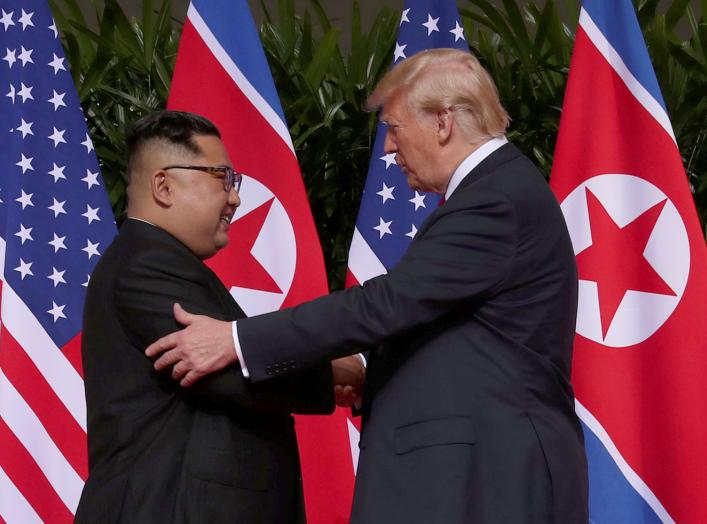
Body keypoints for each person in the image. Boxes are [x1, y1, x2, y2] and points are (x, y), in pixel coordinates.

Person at [147, 50, 589, 523]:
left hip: (491, 479)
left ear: (443, 122)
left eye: (394, 128)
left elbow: (386, 303)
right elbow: (444, 327)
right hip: (473, 475)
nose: (389, 149)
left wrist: (235, 339)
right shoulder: (494, 192)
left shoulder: (496, 200)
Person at [75, 111, 357, 524]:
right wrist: (344, 372)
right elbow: (233, 371)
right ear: (163, 185)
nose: (235, 198)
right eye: (221, 177)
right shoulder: (147, 264)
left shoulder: (158, 260)